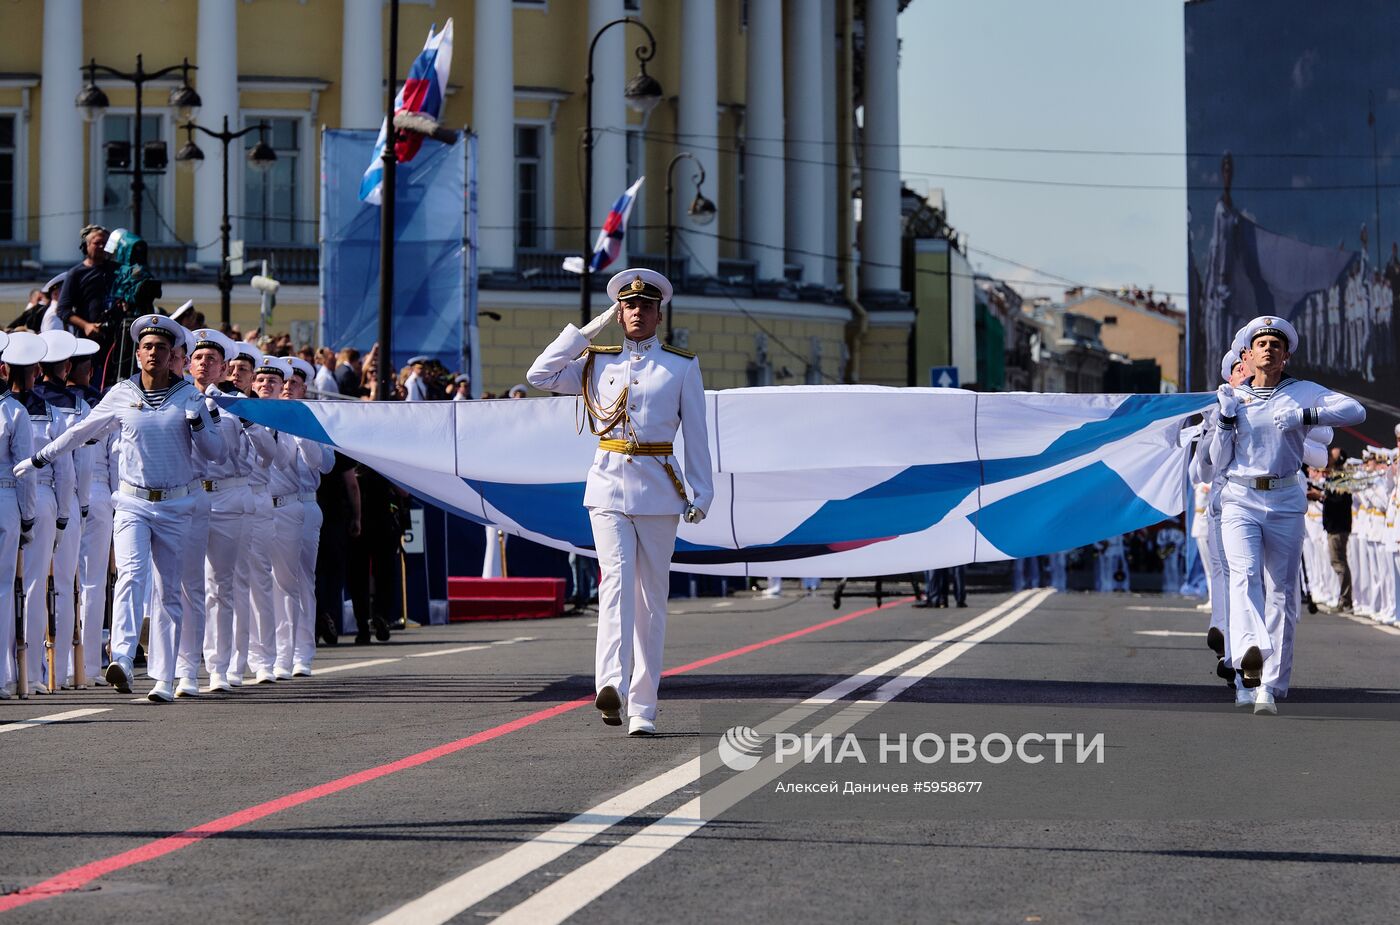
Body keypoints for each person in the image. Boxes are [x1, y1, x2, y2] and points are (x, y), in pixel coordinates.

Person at [527, 268, 714, 736]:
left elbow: (697, 435)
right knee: (615, 585)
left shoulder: (680, 365)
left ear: (658, 313)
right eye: (628, 306)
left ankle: (643, 705)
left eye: (645, 306)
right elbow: (539, 375)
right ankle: (610, 683)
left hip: (659, 491)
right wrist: (587, 332)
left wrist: (701, 493)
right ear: (619, 312)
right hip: (608, 487)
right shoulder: (596, 361)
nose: (636, 313)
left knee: (651, 600)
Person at [14, 314, 226, 702]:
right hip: (131, 502)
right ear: (138, 352)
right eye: (146, 347)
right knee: (130, 575)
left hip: (177, 504)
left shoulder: (189, 396)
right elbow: (81, 432)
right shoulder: (121, 392)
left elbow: (216, 454)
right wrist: (39, 460)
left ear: (173, 354)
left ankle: (164, 677)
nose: (153, 354)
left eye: (161, 348)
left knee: (168, 592)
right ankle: (124, 658)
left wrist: (198, 424)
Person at [1210, 315, 1365, 715]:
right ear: (1247, 354)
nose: (1269, 348)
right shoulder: (1233, 398)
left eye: (1276, 344)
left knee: (1281, 593)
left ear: (1286, 355)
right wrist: (1224, 420)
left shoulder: (1302, 392)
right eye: (1261, 343)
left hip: (1284, 501)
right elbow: (1216, 463)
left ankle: (1271, 685)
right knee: (1244, 578)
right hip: (1240, 498)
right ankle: (1249, 658)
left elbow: (1355, 411)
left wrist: (1306, 416)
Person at [188, 327, 246, 693]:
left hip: (226, 497)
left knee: (220, 586)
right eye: (198, 357)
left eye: (212, 359)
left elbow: (225, 451)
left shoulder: (234, 403)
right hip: (190, 495)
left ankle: (219, 667)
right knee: (185, 586)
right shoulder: (174, 398)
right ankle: (184, 667)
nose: (204, 364)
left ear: (224, 367)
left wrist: (213, 405)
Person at [33, 330, 90, 691]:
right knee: (66, 584)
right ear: (67, 366)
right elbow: (77, 464)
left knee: (27, 586)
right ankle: (66, 670)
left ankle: (31, 670)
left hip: (30, 496)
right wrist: (78, 507)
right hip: (58, 497)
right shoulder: (75, 406)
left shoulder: (26, 403)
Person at [0, 331, 38, 699]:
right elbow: (24, 470)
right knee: (1, 590)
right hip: (4, 498)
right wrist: (28, 518)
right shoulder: (14, 411)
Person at [54, 225, 113, 339]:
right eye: (97, 243)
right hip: (87, 339)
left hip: (114, 338)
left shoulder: (117, 270)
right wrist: (86, 326)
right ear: (86, 245)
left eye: (105, 243)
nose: (102, 246)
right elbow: (62, 310)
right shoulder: (75, 273)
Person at [1321, 448, 1354, 614]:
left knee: (1339, 563)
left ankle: (1346, 601)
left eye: (1331, 456)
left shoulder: (1342, 476)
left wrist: (1323, 497)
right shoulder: (1334, 474)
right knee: (1337, 562)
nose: (1328, 458)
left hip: (1338, 527)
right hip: (1333, 526)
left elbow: (1341, 500)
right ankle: (1343, 599)